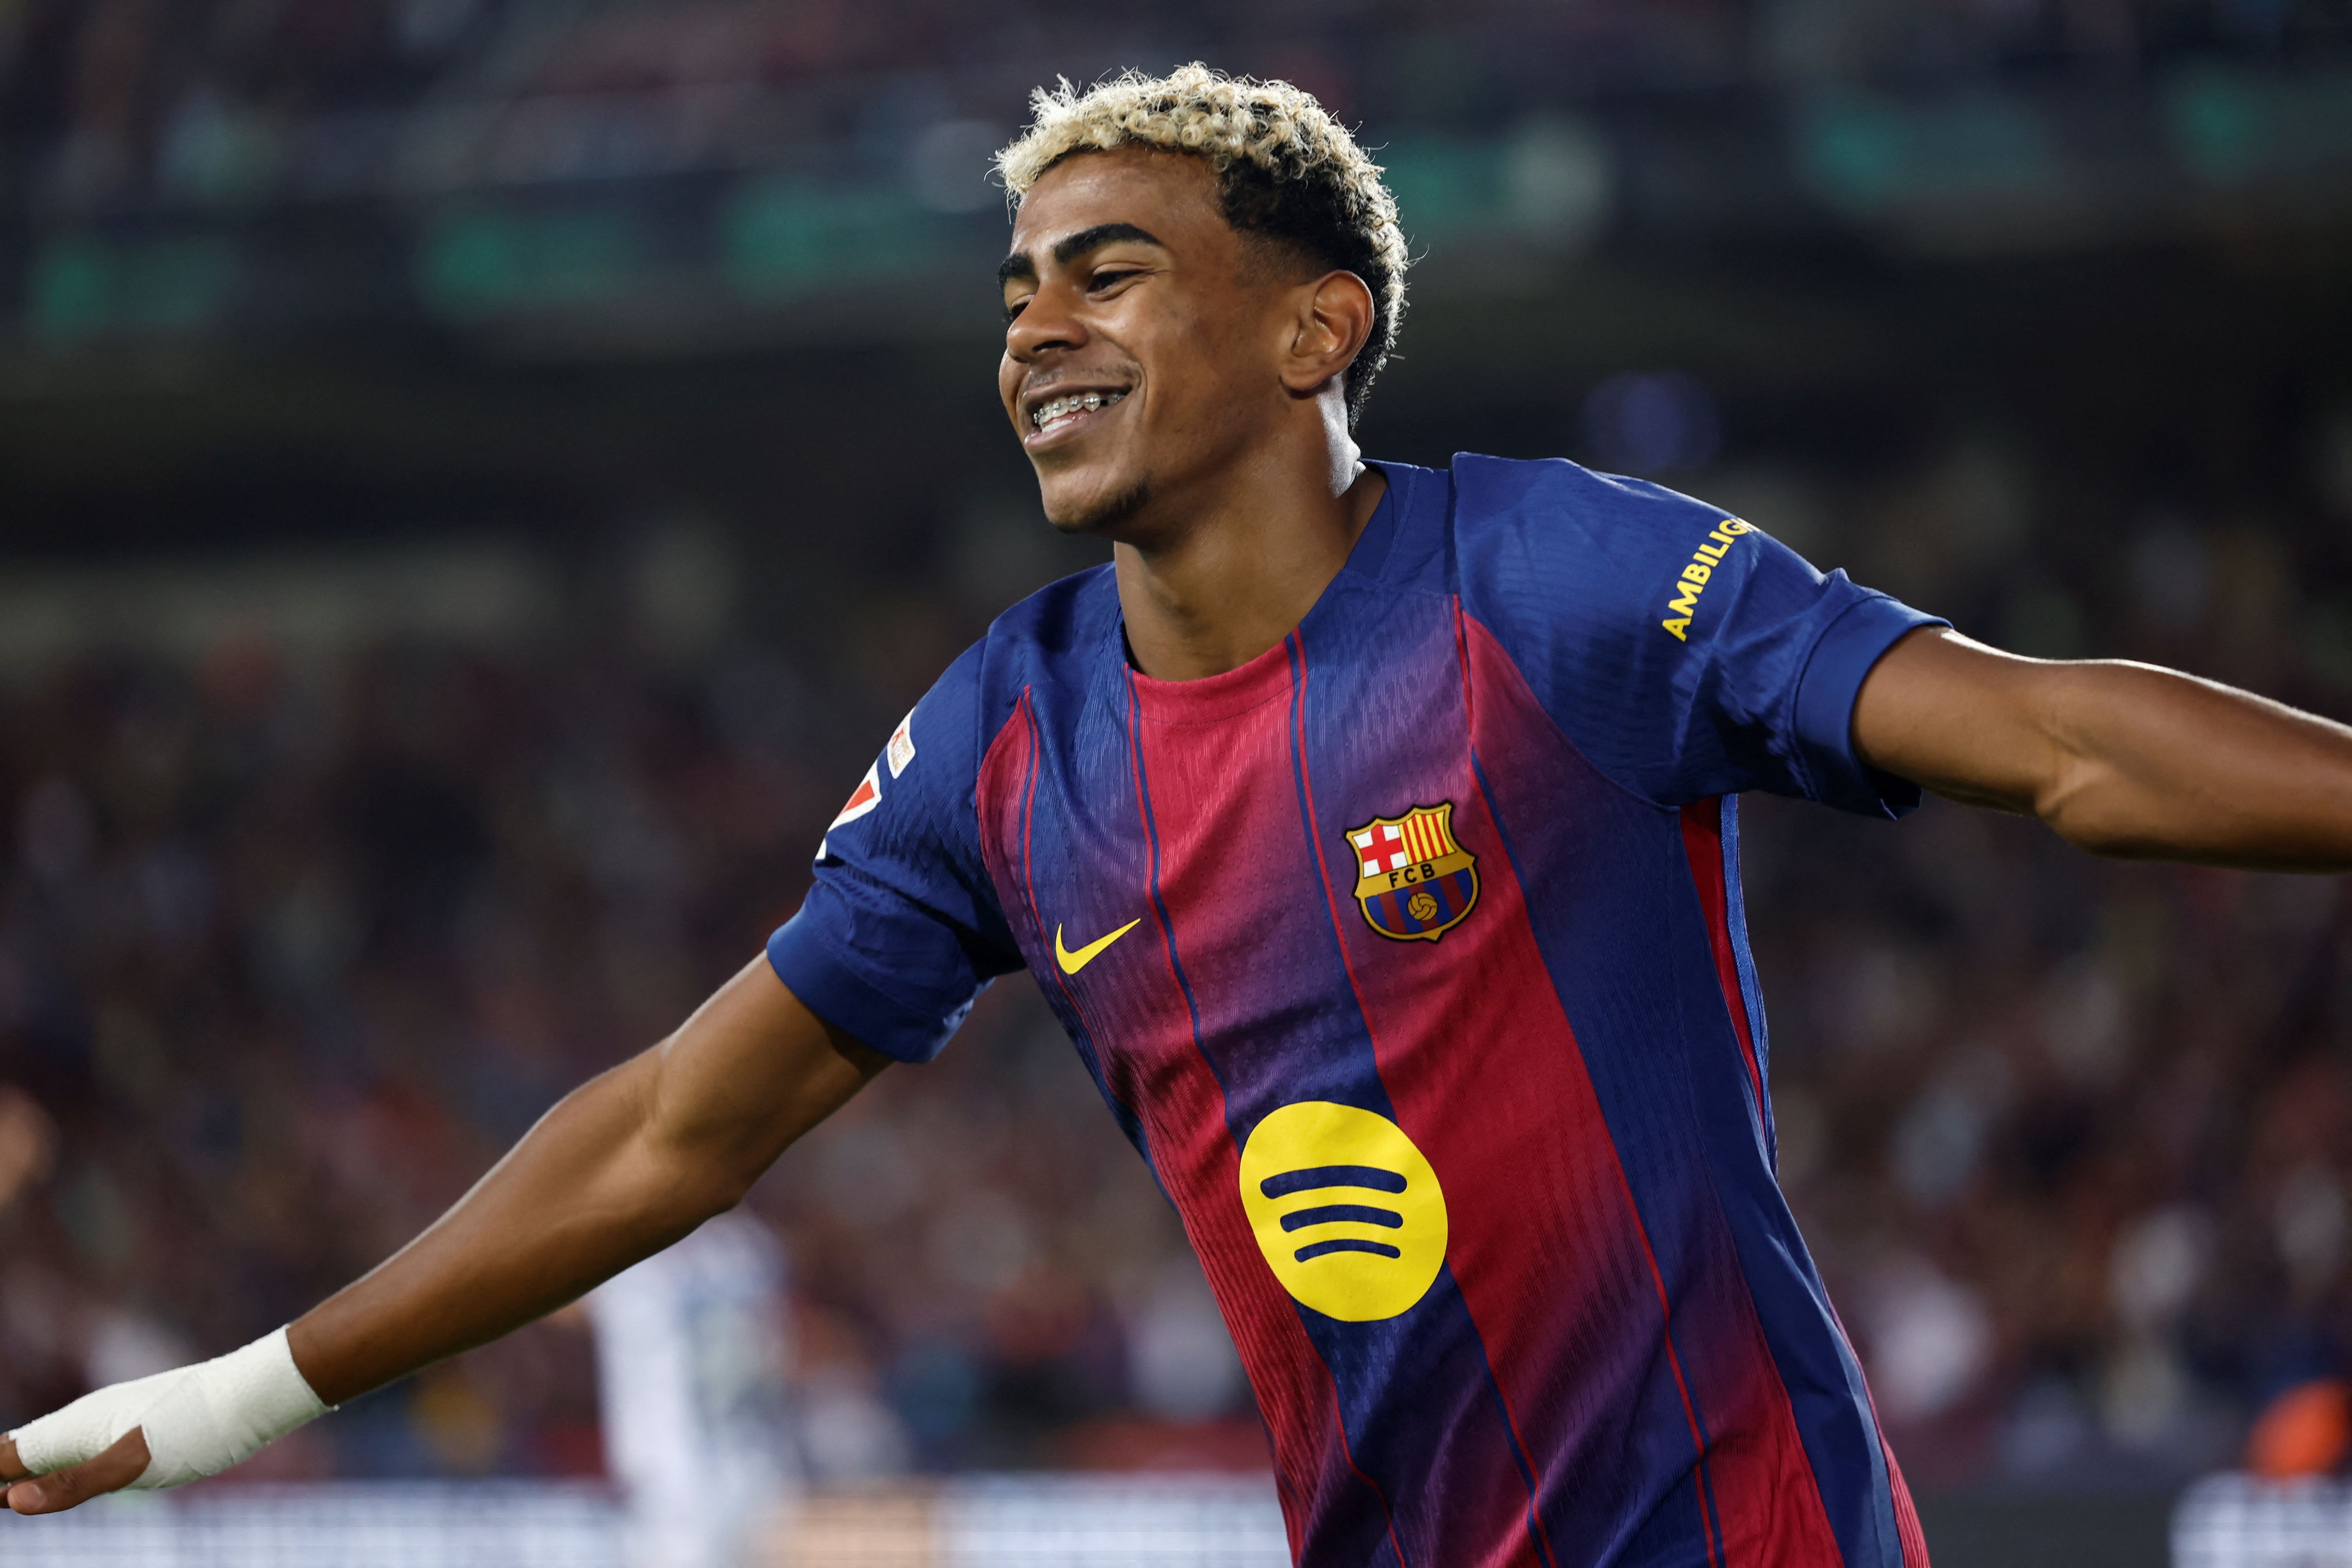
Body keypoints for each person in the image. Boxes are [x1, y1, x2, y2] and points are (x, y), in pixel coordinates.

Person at [6, 63, 2351, 1568]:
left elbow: (2058, 740)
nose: (1034, 328)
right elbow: (666, 1135)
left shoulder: (1548, 583)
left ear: (1319, 327)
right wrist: (220, 1409)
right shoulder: (1010, 748)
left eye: (1109, 270)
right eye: (1018, 289)